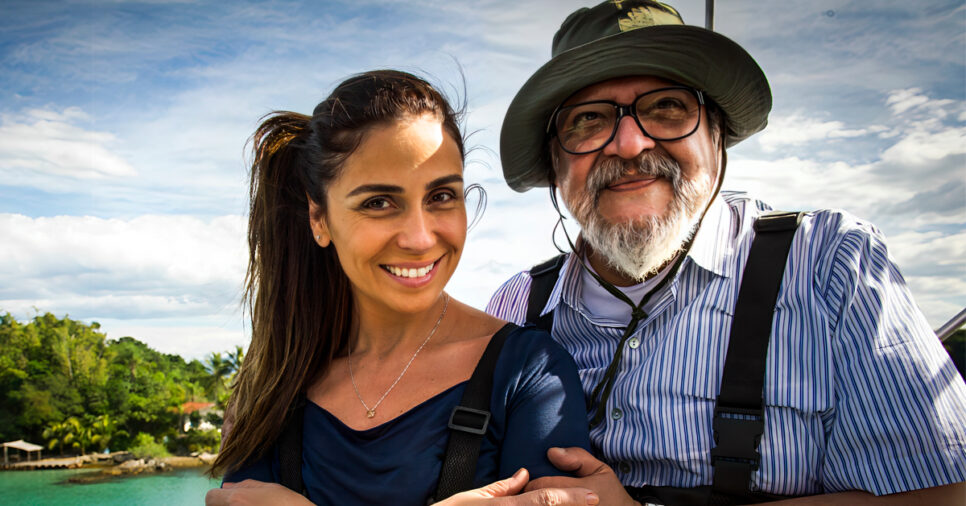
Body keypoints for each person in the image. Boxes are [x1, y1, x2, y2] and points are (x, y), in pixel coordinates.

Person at [486, 1, 966, 504]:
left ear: (717, 136)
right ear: (555, 163)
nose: (628, 145)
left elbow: (941, 495)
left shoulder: (832, 263)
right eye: (587, 119)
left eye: (667, 107)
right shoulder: (515, 307)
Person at [205, 70, 597, 506]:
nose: (420, 238)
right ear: (320, 220)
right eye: (378, 203)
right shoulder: (273, 384)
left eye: (441, 196)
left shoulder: (530, 373)